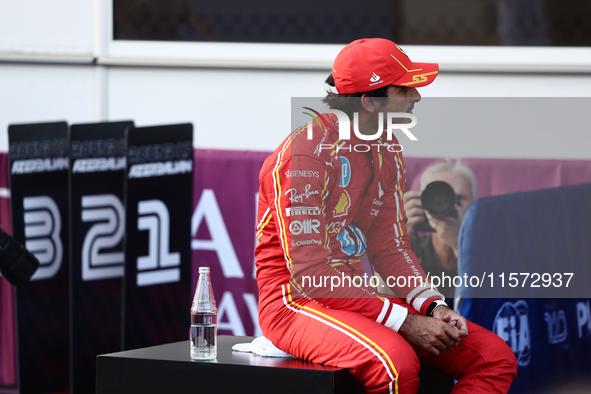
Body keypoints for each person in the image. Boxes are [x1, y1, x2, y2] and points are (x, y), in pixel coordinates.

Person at [255, 38, 517, 394]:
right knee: (395, 365)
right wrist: (406, 321)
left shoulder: (386, 148)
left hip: (355, 296)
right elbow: (312, 275)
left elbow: (390, 246)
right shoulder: (303, 157)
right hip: (294, 303)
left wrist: (432, 304)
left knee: (494, 357)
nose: (417, 98)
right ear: (369, 101)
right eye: (405, 89)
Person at [404, 162, 477, 299]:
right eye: (438, 197)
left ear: (474, 204)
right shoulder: (409, 248)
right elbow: (381, 298)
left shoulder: (488, 252)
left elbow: (490, 302)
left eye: (460, 198)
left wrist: (459, 245)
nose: (450, 204)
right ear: (422, 201)